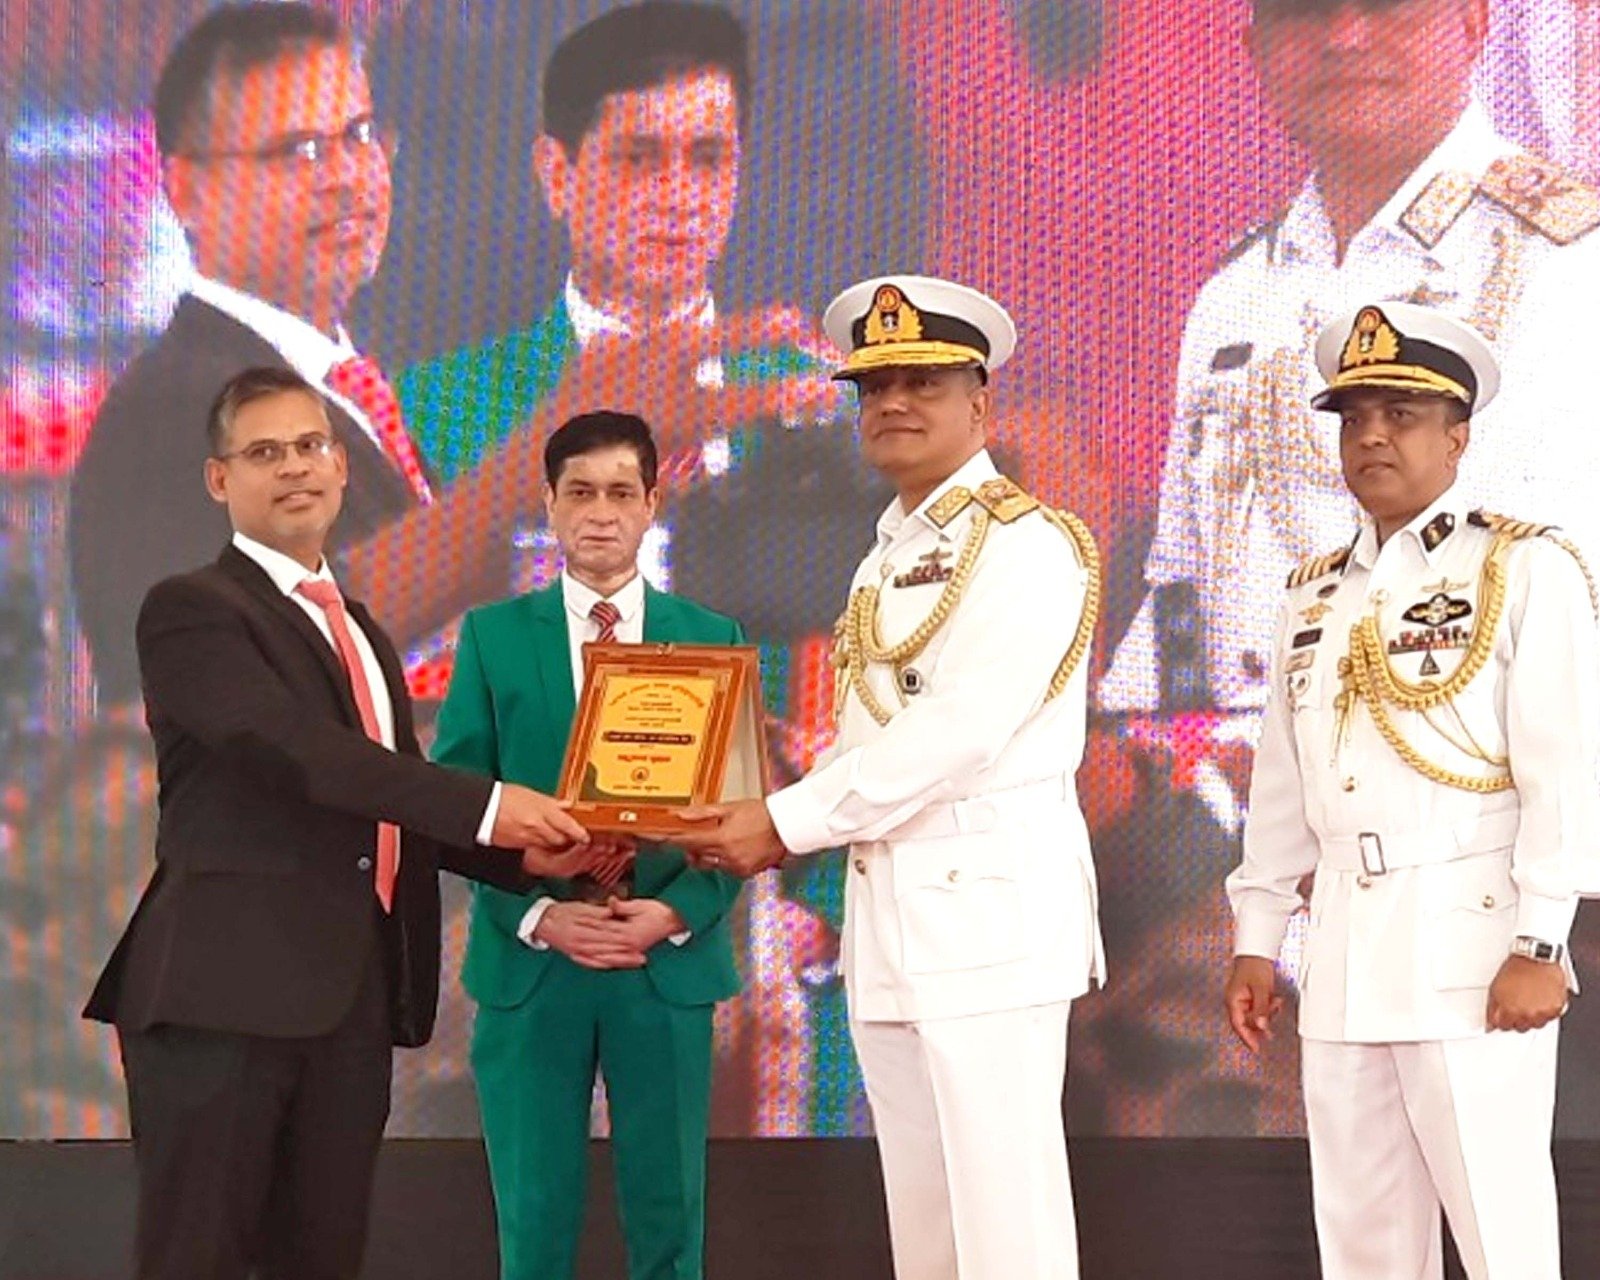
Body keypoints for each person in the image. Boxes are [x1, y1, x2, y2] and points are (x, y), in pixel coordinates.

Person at [83, 366, 623, 1280]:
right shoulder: (193, 609)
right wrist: (495, 808)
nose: (294, 467)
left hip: (349, 1003)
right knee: (197, 1259)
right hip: (223, 1000)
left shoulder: (361, 628)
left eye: (310, 446)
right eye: (264, 452)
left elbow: (389, 800)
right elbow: (299, 755)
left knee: (325, 1258)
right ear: (219, 479)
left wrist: (534, 858)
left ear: (340, 464)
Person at [674, 275, 1104, 1280]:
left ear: (980, 402)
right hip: (892, 920)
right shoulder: (882, 557)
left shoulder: (1028, 544)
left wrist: (782, 819)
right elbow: (870, 740)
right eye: (874, 386)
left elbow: (961, 731)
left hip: (991, 926)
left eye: (923, 383)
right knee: (927, 1224)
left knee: (1006, 1224)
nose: (893, 404)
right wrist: (763, 794)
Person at [1223, 303, 1599, 1279]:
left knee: (1501, 1232)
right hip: (1345, 950)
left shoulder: (1521, 566)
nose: (1373, 437)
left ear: (1457, 435)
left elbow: (1564, 766)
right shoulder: (1311, 593)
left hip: (1472, 945)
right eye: (1354, 418)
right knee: (1362, 1239)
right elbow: (1283, 781)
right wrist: (1258, 934)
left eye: (1401, 414)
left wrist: (1541, 941)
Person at [1102, 0, 1600, 713]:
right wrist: (1116, 740)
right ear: (1256, 49)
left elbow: (1535, 603)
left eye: (1384, 5)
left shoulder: (1565, 268)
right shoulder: (1236, 294)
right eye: (1304, 13)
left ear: (1470, 24)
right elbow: (1180, 601)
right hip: (1238, 772)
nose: (1344, 37)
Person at [67, 2, 563, 709]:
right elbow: (258, 663)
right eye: (298, 151)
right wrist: (536, 459)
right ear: (190, 192)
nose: (346, 177)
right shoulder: (175, 408)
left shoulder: (357, 393)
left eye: (358, 135)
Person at [430, 410, 743, 1280]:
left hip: (663, 959)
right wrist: (537, 916)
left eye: (619, 493)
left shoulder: (710, 635)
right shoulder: (493, 636)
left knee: (669, 1216)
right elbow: (458, 808)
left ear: (651, 505)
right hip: (534, 963)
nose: (600, 513)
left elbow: (742, 816)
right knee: (532, 1218)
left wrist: (674, 913)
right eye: (580, 493)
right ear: (550, 505)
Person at [395, 0, 833, 491]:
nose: (679, 198)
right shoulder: (436, 409)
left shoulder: (824, 397)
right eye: (637, 159)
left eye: (708, 159)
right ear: (557, 176)